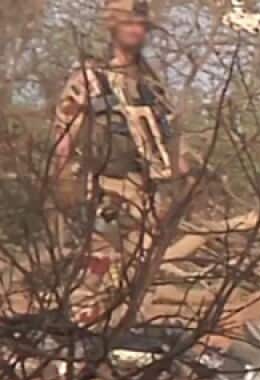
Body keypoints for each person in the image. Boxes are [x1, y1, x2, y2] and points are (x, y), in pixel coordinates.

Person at [53, 0, 182, 286]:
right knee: (93, 282)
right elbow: (63, 144)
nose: (136, 29)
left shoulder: (153, 88)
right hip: (104, 194)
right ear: (113, 26)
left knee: (138, 285)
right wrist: (67, 195)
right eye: (128, 22)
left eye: (140, 23)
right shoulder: (90, 80)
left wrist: (174, 189)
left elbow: (172, 145)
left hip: (148, 199)